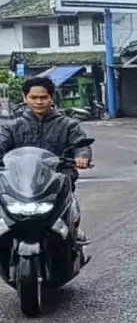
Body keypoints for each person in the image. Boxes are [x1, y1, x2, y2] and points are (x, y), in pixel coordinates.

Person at [0, 76, 92, 242]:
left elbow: (80, 145)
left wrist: (81, 157)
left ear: (51, 97)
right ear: (25, 98)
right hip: (19, 182)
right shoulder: (11, 127)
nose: (39, 102)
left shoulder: (68, 125)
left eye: (43, 97)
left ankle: (72, 230)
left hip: (57, 179)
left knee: (70, 209)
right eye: (33, 97)